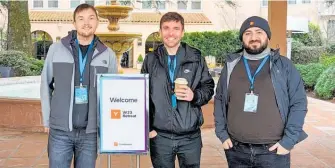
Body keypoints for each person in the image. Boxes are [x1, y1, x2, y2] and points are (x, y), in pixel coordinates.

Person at [214, 16, 308, 168]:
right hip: (236, 150)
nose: (253, 37)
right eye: (248, 33)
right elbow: (219, 99)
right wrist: (222, 134)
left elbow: (298, 103)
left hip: (273, 151)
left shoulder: (284, 66)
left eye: (259, 32)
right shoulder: (231, 66)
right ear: (242, 38)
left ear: (267, 36)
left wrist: (288, 141)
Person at [40, 4, 118, 168]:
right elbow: (45, 85)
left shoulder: (107, 54)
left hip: (90, 132)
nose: (86, 23)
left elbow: (112, 93)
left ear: (97, 22)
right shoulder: (56, 49)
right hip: (60, 130)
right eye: (81, 19)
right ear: (74, 23)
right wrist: (47, 120)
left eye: (91, 18)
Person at [141, 12, 215, 168]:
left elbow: (208, 87)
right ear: (160, 31)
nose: (170, 33)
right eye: (166, 28)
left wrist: (194, 96)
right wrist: (149, 128)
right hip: (160, 136)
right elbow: (143, 96)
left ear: (182, 32)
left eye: (176, 28)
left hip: (190, 137)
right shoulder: (150, 59)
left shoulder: (196, 57)